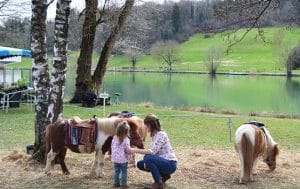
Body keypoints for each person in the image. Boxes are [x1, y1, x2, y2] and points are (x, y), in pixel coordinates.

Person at [128, 113, 177, 189]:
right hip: (162, 162)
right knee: (140, 164)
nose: (145, 128)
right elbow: (153, 153)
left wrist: (135, 150)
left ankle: (158, 183)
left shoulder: (161, 134)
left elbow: (152, 152)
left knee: (148, 158)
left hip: (170, 164)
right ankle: (164, 176)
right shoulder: (155, 135)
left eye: (146, 126)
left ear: (150, 125)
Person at [111, 121, 131, 189]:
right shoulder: (126, 140)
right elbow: (128, 150)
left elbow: (112, 147)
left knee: (116, 171)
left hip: (115, 159)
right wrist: (129, 156)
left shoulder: (114, 137)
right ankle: (124, 185)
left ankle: (116, 183)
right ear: (126, 132)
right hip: (123, 159)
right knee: (124, 172)